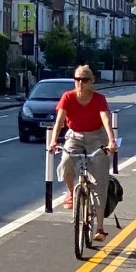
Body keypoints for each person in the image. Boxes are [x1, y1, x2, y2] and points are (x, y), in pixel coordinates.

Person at [46, 65, 118, 242]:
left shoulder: (99, 99)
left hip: (96, 135)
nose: (80, 83)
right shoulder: (68, 97)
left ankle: (100, 228)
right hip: (75, 135)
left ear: (91, 81)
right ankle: (71, 192)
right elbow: (60, 121)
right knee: (66, 161)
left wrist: (111, 141)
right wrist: (53, 141)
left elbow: (105, 119)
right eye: (77, 79)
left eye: (84, 79)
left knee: (100, 181)